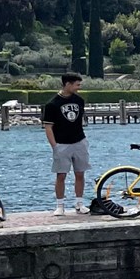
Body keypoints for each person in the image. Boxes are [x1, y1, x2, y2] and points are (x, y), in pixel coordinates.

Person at [42, 73, 89, 216]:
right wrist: (54, 146)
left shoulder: (79, 101)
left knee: (80, 173)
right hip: (62, 143)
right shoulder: (52, 104)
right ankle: (60, 205)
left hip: (79, 141)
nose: (79, 88)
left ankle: (79, 203)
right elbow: (48, 128)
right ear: (67, 84)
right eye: (77, 85)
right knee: (61, 175)